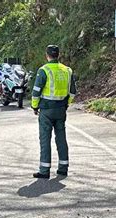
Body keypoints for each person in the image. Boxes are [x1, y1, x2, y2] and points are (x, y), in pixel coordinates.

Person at [31, 45, 76, 179]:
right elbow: (73, 92)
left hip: (46, 110)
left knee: (45, 139)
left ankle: (44, 171)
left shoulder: (44, 70)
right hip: (61, 109)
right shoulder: (67, 70)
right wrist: (66, 104)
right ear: (58, 55)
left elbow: (36, 91)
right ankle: (63, 168)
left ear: (47, 55)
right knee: (61, 138)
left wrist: (34, 107)